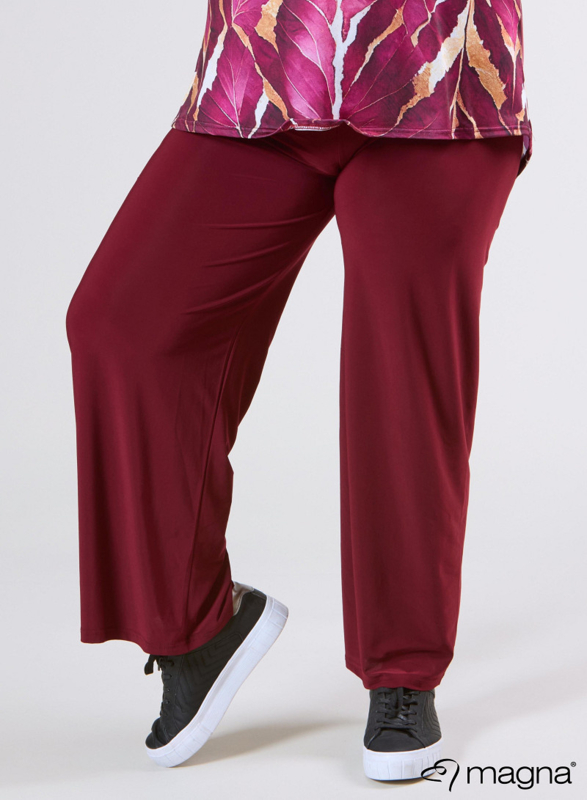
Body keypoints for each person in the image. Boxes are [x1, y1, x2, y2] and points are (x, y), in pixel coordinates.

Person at [65, 0, 533, 782]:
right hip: (262, 67)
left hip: (437, 79)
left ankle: (402, 671)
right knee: (122, 325)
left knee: (400, 370)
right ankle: (193, 628)